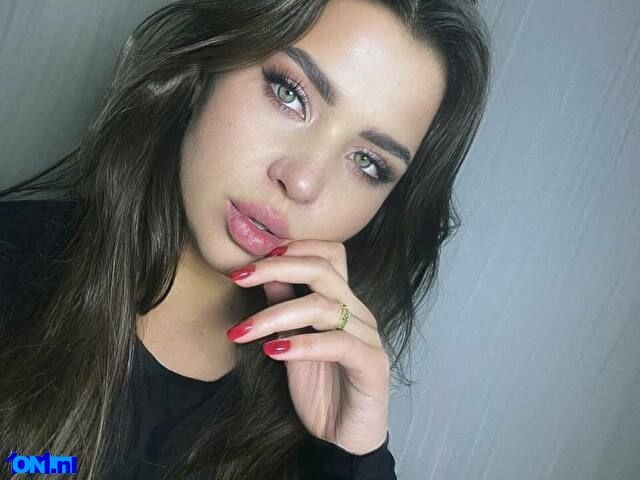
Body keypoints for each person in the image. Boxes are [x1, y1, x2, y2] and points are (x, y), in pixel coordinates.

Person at [0, 0, 491, 478]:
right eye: (290, 94)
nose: (302, 181)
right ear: (209, 66)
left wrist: (351, 460)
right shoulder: (13, 260)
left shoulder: (318, 409)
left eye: (367, 162)